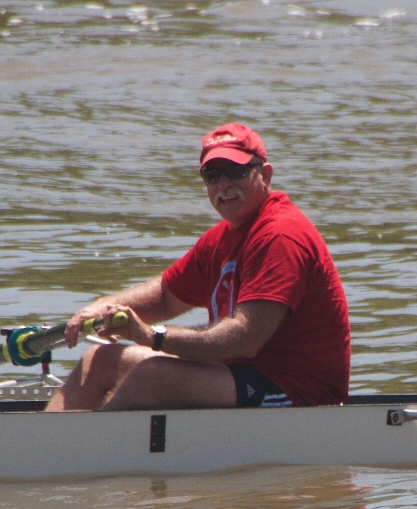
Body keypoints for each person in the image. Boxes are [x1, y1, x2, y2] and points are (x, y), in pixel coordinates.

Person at [45, 123, 350, 411]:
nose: (223, 184)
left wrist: (151, 336)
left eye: (235, 171)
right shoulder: (222, 238)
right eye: (212, 175)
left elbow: (245, 339)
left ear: (265, 175)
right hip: (239, 375)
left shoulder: (280, 235)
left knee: (154, 375)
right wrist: (101, 308)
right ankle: (46, 446)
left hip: (298, 391)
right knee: (99, 360)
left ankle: (83, 453)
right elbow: (166, 296)